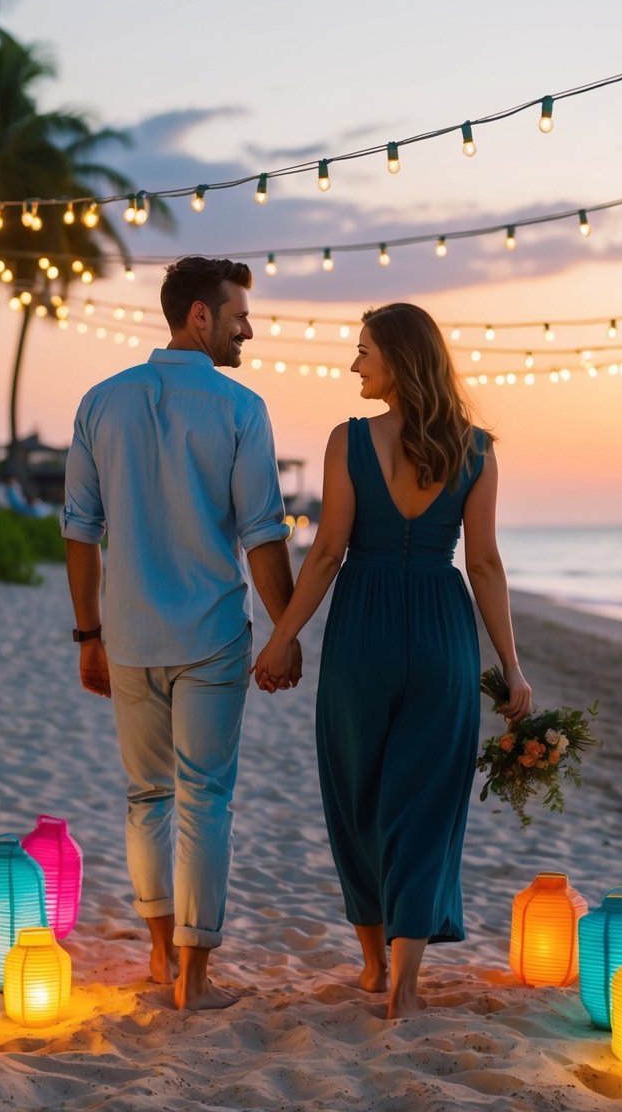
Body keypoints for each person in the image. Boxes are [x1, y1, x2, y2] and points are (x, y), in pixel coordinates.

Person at [253, 301, 531, 1019]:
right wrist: (511, 666)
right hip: (441, 628)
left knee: (358, 794)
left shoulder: (348, 442)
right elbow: (486, 565)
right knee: (425, 806)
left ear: (399, 360)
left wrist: (282, 637)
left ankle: (375, 966)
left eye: (364, 351)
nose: (354, 364)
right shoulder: (476, 449)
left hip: (362, 630)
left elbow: (324, 553)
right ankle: (405, 986)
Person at [62, 256, 300, 1011]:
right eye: (238, 319)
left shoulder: (101, 402)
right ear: (198, 314)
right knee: (205, 799)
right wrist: (285, 631)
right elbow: (263, 534)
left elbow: (79, 532)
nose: (248, 332)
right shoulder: (240, 408)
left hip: (128, 635)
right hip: (211, 634)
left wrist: (87, 635)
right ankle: (194, 980)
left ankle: (161, 955)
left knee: (145, 798)